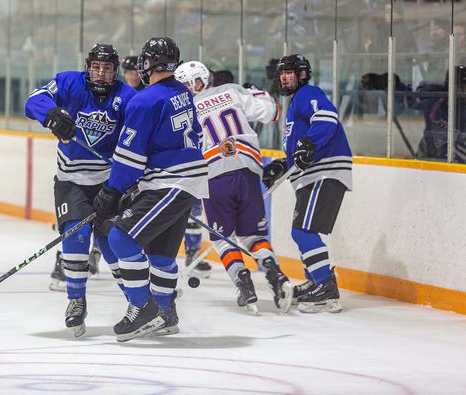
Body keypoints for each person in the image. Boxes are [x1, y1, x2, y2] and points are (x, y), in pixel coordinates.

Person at [93, 37, 208, 342]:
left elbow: (130, 157)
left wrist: (112, 190)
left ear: (147, 63)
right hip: (185, 179)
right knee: (160, 253)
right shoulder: (182, 92)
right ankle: (167, 314)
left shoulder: (144, 100)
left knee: (120, 237)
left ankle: (144, 307)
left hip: (170, 181)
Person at [24, 44, 136, 337]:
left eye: (107, 68)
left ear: (115, 71)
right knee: (77, 235)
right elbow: (33, 101)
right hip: (71, 181)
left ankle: (139, 302)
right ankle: (76, 301)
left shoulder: (126, 97)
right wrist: (51, 114)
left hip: (109, 183)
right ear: (88, 67)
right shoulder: (69, 82)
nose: (100, 73)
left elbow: (138, 137)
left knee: (113, 242)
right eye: (96, 67)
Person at [175, 61, 293, 314]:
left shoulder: (186, 110)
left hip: (215, 175)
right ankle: (274, 271)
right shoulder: (231, 90)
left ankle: (243, 281)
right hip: (248, 169)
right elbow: (271, 112)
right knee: (253, 237)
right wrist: (256, 91)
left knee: (223, 239)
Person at [262, 54, 352, 313]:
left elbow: (327, 116)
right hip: (313, 174)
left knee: (302, 232)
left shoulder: (308, 93)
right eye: (282, 73)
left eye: (289, 72)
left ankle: (324, 287)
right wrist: (283, 164)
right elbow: (300, 148)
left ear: (302, 74)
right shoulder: (295, 104)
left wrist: (310, 143)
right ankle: (316, 281)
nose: (284, 77)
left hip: (324, 171)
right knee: (302, 231)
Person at [416, 65, 466, 163]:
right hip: (426, 156)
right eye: (459, 85)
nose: (464, 90)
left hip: (451, 162)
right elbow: (417, 96)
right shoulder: (436, 101)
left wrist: (447, 161)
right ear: (450, 85)